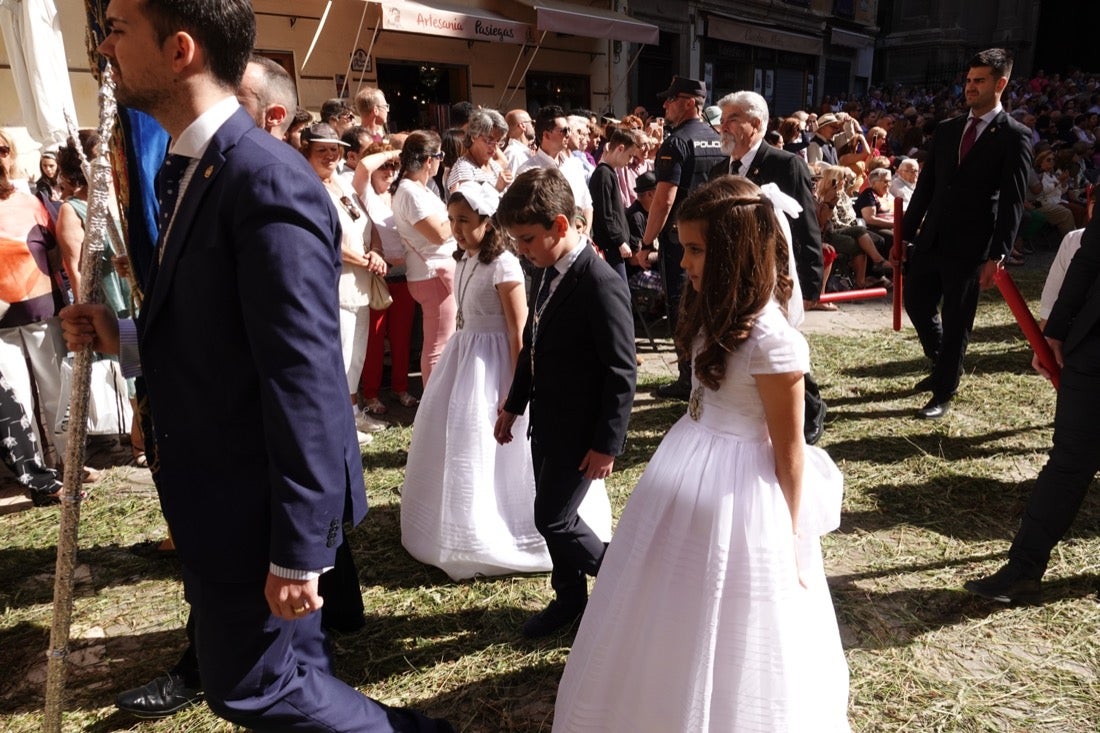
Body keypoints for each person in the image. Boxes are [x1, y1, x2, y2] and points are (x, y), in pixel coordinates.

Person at [71, 2, 453, 729]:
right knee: (296, 669)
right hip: (228, 485)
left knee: (251, 684)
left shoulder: (261, 177)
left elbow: (302, 376)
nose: (104, 44)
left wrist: (299, 550)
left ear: (179, 49)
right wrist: (124, 333)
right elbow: (221, 329)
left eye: (118, 28)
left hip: (252, 498)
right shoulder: (200, 165)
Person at [551, 176, 848, 732]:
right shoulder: (713, 310)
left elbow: (789, 453)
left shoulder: (772, 341)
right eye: (683, 247)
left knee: (734, 606)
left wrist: (791, 535)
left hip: (740, 488)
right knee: (667, 593)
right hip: (688, 459)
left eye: (695, 250)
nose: (683, 262)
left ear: (734, 253)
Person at [402, 181, 583, 579]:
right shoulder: (464, 260)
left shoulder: (504, 264)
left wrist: (516, 388)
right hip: (464, 355)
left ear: (488, 219)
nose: (457, 229)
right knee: (460, 439)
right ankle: (458, 520)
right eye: (451, 220)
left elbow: (518, 331)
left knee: (497, 444)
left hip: (496, 361)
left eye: (465, 220)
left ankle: (512, 521)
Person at [493, 168, 636, 637]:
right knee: (555, 516)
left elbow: (621, 370)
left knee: (552, 517)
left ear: (560, 224)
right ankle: (570, 598)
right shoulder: (546, 270)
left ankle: (630, 583)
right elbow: (533, 343)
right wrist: (514, 404)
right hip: (547, 423)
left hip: (581, 432)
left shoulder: (599, 281)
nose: (521, 250)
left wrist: (607, 444)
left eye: (528, 239)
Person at [964, 212, 1100, 604]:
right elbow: (1091, 255)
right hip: (1094, 350)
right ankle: (1023, 569)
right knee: (1068, 462)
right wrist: (1053, 332)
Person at [903, 48, 1032, 420]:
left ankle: (943, 391)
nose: (970, 87)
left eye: (980, 81)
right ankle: (945, 360)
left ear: (1001, 83)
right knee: (917, 301)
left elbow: (1012, 200)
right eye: (968, 80)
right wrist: (904, 237)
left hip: (971, 246)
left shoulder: (1014, 137)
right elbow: (925, 188)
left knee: (959, 318)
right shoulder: (947, 130)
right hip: (931, 239)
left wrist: (998, 254)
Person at [710, 90, 828, 444]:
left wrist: (810, 280)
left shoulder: (784, 164)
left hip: (775, 277)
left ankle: (809, 406)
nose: (722, 127)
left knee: (780, 343)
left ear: (756, 123)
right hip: (733, 277)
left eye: (731, 119)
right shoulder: (720, 169)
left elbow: (806, 225)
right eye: (722, 119)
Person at [300, 122, 390, 441]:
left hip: (362, 283)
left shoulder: (344, 183)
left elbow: (369, 224)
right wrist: (366, 259)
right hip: (335, 286)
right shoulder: (307, 187)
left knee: (357, 355)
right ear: (306, 151)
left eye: (333, 149)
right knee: (340, 353)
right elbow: (325, 240)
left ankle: (353, 413)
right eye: (321, 149)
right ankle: (340, 423)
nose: (329, 155)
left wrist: (376, 250)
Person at [638, 76, 726, 401]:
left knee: (682, 307)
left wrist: (646, 243)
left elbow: (663, 200)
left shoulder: (676, 143)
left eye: (671, 99)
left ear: (689, 102)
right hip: (716, 238)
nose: (664, 105)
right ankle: (710, 371)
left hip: (681, 242)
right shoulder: (718, 138)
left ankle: (687, 377)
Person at [353, 141, 419, 415]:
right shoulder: (364, 193)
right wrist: (392, 152)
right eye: (385, 166)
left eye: (395, 166)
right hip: (377, 278)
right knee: (375, 340)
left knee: (402, 339)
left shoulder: (401, 193)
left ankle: (400, 388)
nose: (391, 170)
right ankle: (370, 394)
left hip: (405, 276)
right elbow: (363, 166)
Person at [392, 130, 458, 386]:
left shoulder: (417, 188)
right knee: (439, 344)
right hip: (432, 274)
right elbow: (439, 234)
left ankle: (437, 399)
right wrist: (465, 218)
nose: (442, 160)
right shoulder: (410, 191)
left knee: (442, 340)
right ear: (429, 160)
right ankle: (434, 402)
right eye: (440, 155)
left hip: (433, 271)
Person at [588, 126, 644, 282]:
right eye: (630, 155)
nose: (631, 160)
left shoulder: (609, 173)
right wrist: (619, 241)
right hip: (610, 248)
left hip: (617, 247)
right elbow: (606, 214)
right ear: (620, 148)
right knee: (620, 293)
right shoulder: (603, 174)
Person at [446, 107, 511, 193]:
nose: (494, 147)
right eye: (489, 140)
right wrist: (497, 189)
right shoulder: (463, 171)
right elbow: (467, 205)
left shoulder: (493, 165)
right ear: (474, 136)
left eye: (499, 142)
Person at [503, 108, 534, 174]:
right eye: (531, 122)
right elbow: (511, 183)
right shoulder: (513, 154)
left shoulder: (520, 152)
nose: (533, 126)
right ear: (523, 126)